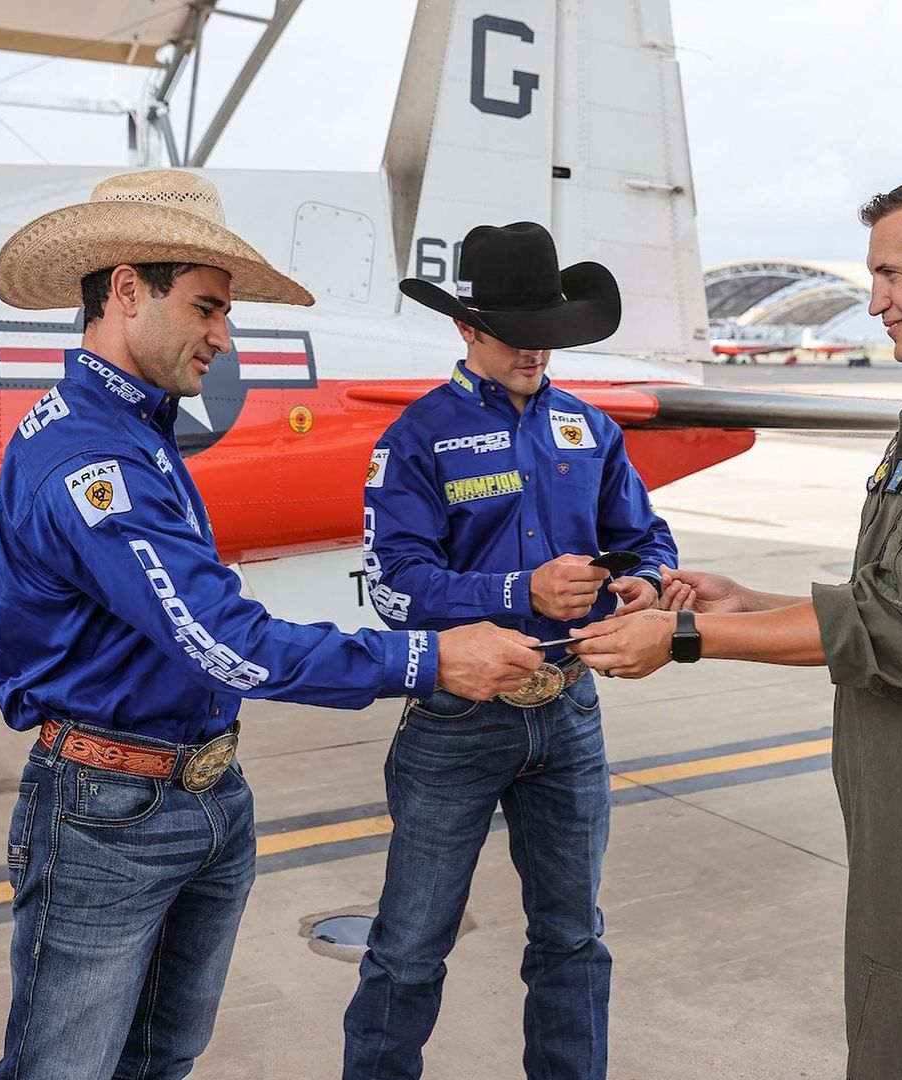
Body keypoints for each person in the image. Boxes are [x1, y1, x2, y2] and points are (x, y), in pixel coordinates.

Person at [0, 169, 542, 1080]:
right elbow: (222, 639)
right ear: (128, 291)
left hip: (191, 790)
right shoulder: (93, 460)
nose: (223, 335)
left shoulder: (135, 432)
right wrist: (428, 659)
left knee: (161, 1058)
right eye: (207, 308)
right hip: (109, 816)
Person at [570, 169, 902, 1080]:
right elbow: (894, 592)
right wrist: (742, 603)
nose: (874, 303)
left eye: (892, 275)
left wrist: (685, 640)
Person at [343, 221, 677, 1079]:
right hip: (458, 719)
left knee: (572, 940)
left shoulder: (590, 430)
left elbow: (643, 536)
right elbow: (392, 586)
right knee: (410, 949)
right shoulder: (418, 438)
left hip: (569, 714)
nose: (535, 351)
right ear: (466, 327)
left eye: (548, 333)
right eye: (514, 333)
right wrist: (516, 592)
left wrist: (648, 578)